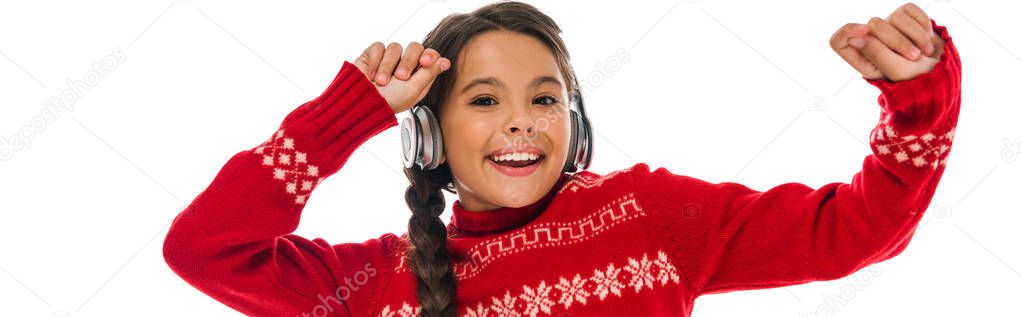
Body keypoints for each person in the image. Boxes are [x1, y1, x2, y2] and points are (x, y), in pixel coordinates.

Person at [162, 2, 961, 316]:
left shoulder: (649, 216)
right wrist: (346, 116)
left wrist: (918, 100)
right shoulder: (381, 281)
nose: (522, 122)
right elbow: (205, 249)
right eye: (483, 100)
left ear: (573, 117)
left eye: (544, 97)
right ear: (430, 133)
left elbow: (856, 230)